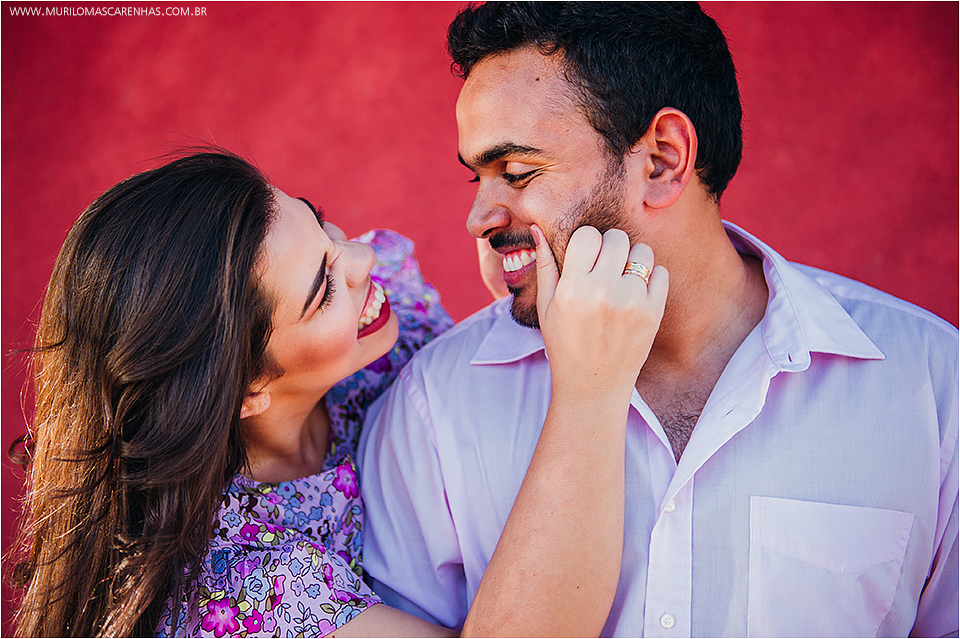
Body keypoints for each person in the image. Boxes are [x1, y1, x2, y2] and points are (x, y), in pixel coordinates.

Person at [357, 3, 959, 636]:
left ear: (664, 160)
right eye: (478, 177)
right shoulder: (433, 410)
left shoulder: (931, 386)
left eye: (517, 173)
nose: (479, 217)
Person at [10, 149, 667, 637]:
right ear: (248, 388)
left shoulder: (377, 324)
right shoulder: (249, 583)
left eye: (321, 224)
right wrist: (590, 390)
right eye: (322, 288)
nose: (360, 259)